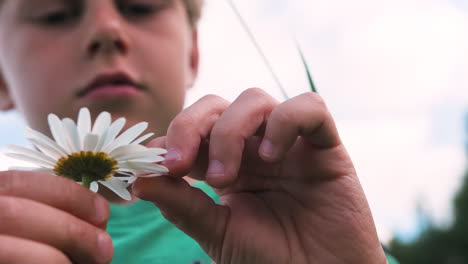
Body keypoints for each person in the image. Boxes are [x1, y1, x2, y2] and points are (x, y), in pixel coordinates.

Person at [0, 0, 394, 263]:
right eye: (54, 13)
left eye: (142, 6)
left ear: (192, 55)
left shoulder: (293, 220)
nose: (106, 30)